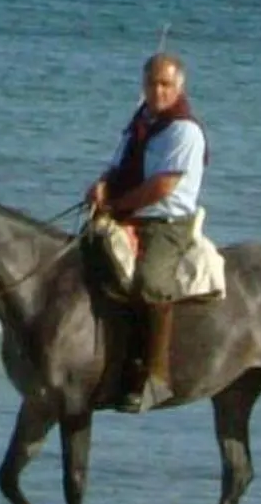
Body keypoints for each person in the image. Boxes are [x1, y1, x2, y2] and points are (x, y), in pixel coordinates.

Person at [87, 52, 206, 412]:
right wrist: (102, 187)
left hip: (166, 223)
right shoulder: (141, 121)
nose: (158, 91)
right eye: (152, 83)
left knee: (151, 282)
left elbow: (162, 187)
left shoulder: (184, 130)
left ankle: (156, 377)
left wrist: (120, 206)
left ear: (178, 86)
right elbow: (117, 164)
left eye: (165, 84)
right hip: (129, 210)